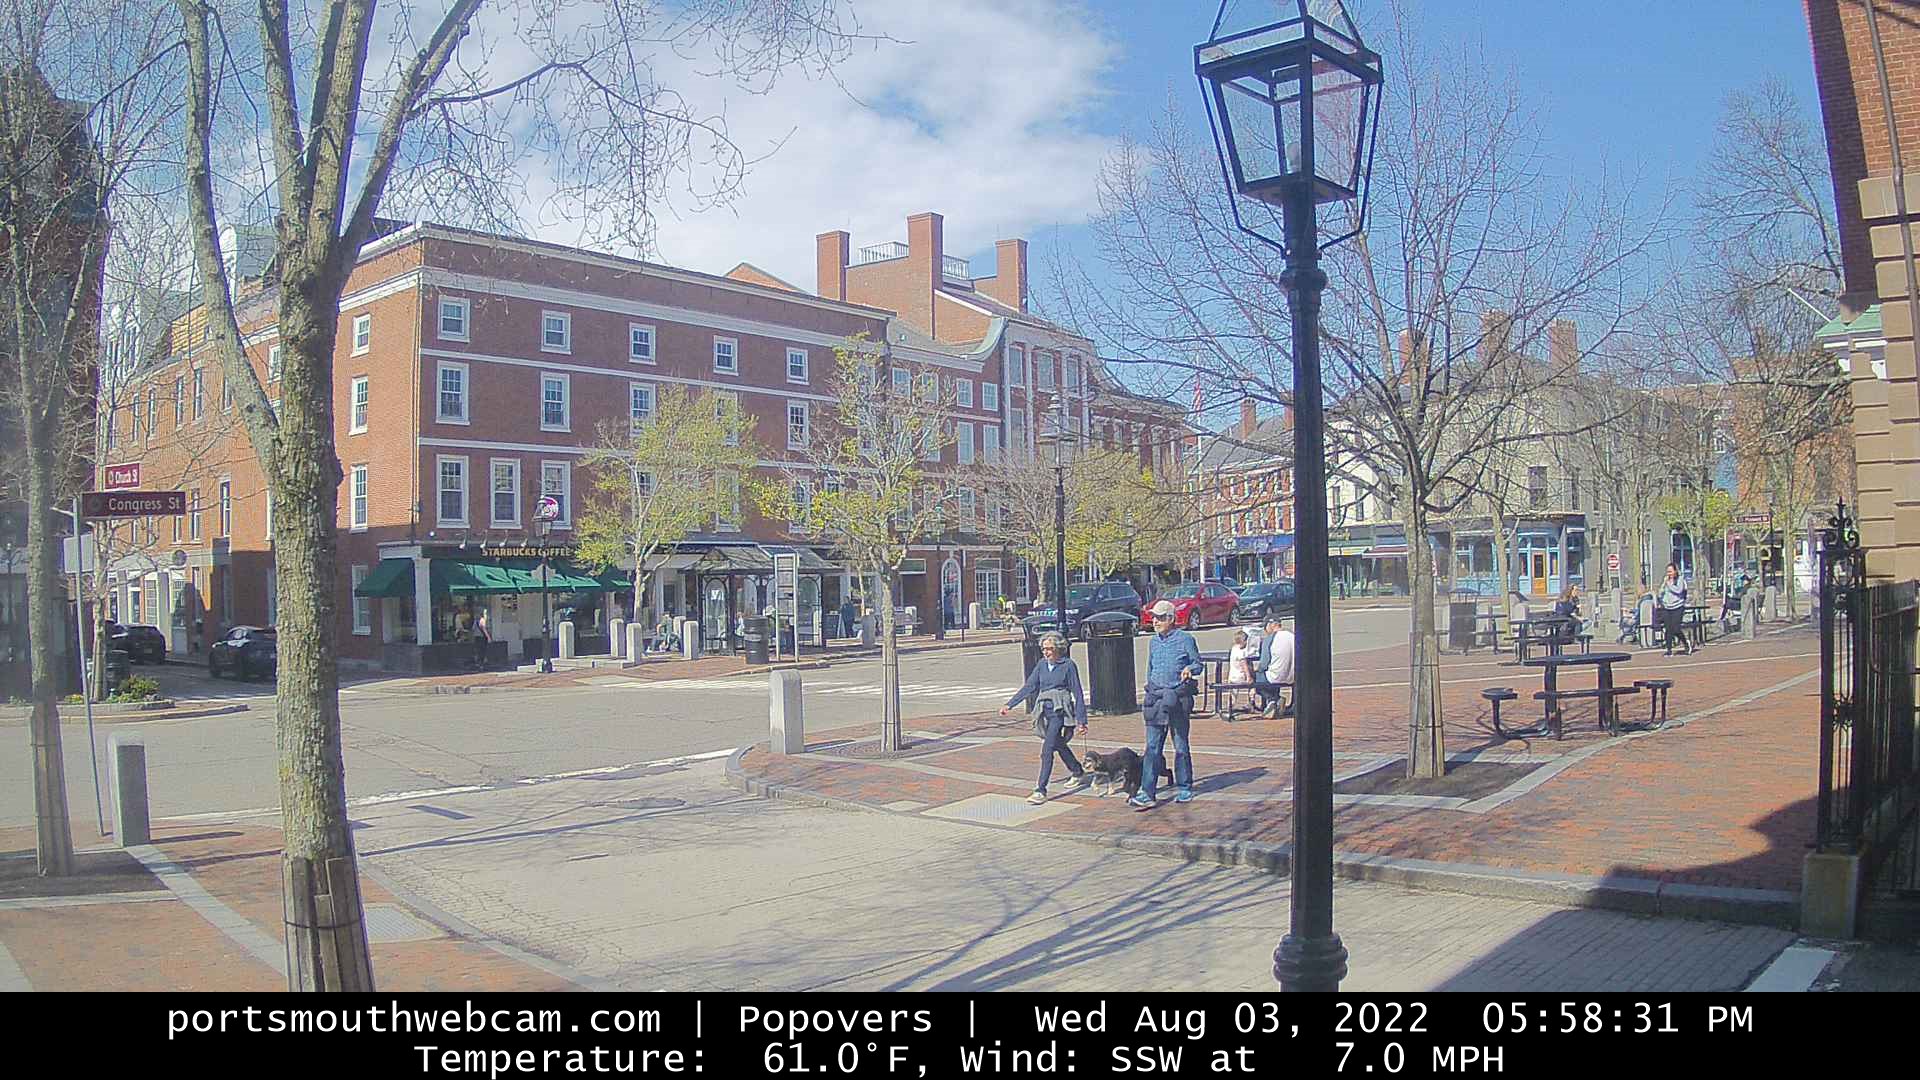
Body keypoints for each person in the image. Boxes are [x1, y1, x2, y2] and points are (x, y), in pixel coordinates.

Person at [1000, 631, 1088, 804]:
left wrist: (1081, 721)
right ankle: (1077, 771)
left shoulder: (1068, 665)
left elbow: (1077, 693)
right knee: (1058, 744)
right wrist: (1010, 704)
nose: (1046, 652)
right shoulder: (1041, 665)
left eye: (1049, 649)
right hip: (1044, 710)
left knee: (1047, 750)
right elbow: (1030, 686)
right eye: (1044, 649)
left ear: (1058, 649)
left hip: (1059, 711)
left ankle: (1040, 790)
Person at [1133, 599, 1203, 810]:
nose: (1155, 621)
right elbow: (1151, 667)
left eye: (1160, 618)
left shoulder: (1185, 639)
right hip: (1156, 699)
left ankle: (1184, 786)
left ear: (1171, 619)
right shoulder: (1153, 641)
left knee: (1180, 744)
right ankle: (1147, 792)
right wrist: (1150, 687)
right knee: (1152, 747)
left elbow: (1198, 664)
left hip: (1178, 699)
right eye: (1154, 617)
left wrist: (1190, 669)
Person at [1256, 618, 1296, 718]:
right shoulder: (1293, 636)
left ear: (1271, 625)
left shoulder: (1270, 639)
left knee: (1257, 678)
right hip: (1293, 676)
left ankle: (1273, 700)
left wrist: (1256, 670)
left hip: (1275, 676)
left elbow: (1264, 663)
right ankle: (1274, 704)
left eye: (1265, 628)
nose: (1265, 631)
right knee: (1273, 671)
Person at [1657, 563, 1692, 656]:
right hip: (1667, 607)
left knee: (1676, 628)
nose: (1669, 573)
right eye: (1667, 571)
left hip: (1678, 607)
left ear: (1675, 571)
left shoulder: (1680, 580)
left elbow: (1678, 591)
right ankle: (1669, 650)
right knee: (1668, 629)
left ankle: (1685, 642)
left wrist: (1669, 584)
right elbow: (1660, 593)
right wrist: (1663, 586)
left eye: (1670, 571)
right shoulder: (1666, 581)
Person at [1227, 630, 1253, 711]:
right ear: (1244, 641)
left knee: (1234, 692)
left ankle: (1231, 705)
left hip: (1232, 676)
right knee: (1253, 683)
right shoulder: (1240, 652)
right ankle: (1252, 701)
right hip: (1240, 677)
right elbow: (1244, 665)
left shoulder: (1233, 649)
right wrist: (1249, 677)